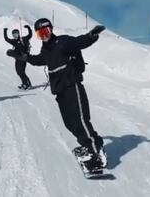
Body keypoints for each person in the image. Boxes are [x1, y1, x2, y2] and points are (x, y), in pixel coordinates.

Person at [11, 18, 107, 171]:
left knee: (81, 120)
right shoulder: (46, 49)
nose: (44, 36)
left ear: (51, 29)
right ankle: (87, 146)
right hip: (60, 90)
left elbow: (79, 42)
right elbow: (38, 60)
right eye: (40, 34)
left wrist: (91, 35)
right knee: (70, 123)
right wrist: (22, 57)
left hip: (72, 86)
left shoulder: (63, 42)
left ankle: (96, 152)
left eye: (46, 32)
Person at [4, 25, 32, 90]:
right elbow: (6, 39)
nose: (15, 36)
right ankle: (27, 83)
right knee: (19, 72)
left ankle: (26, 84)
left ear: (18, 34)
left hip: (23, 58)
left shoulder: (23, 39)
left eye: (16, 34)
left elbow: (30, 35)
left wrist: (28, 28)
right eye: (13, 35)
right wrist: (5, 31)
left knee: (21, 72)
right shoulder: (13, 41)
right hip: (17, 59)